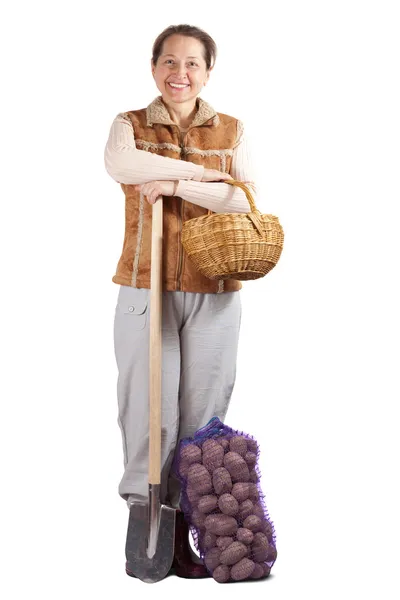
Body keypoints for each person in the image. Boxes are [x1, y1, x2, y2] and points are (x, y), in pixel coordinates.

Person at [104, 23, 258, 578]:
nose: (180, 74)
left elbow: (241, 202)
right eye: (170, 62)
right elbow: (124, 166)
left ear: (208, 71)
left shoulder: (233, 131)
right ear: (154, 68)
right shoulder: (130, 126)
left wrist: (171, 184)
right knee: (149, 414)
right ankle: (149, 526)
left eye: (193, 63)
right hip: (145, 289)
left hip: (215, 292)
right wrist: (200, 176)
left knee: (202, 417)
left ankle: (189, 534)